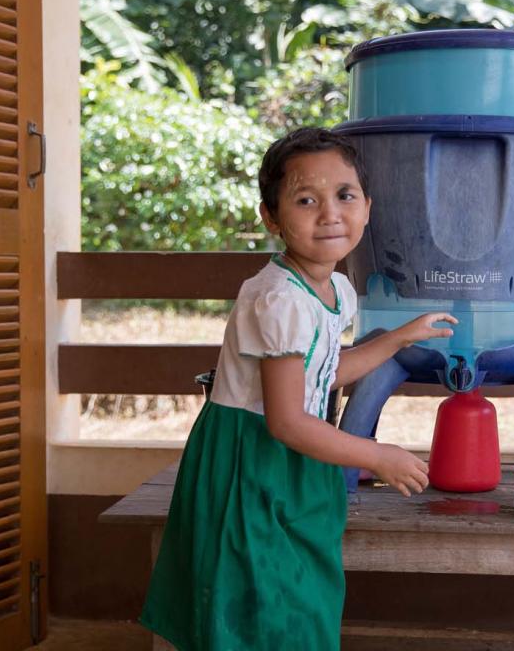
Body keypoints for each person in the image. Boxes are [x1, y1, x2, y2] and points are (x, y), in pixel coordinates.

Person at [140, 127, 456, 650]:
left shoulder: (334, 288)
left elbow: (323, 373)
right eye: (306, 200)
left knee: (302, 600)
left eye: (344, 195)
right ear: (271, 217)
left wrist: (399, 337)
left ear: (367, 206)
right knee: (259, 606)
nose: (330, 213)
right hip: (253, 462)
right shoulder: (278, 299)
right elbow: (286, 419)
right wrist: (376, 455)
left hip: (297, 461)